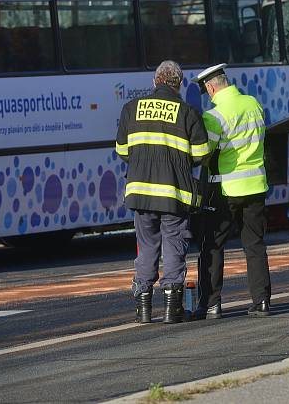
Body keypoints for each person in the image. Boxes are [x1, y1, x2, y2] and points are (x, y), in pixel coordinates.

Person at [115, 60, 209, 324]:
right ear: (178, 84)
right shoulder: (187, 112)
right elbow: (202, 154)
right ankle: (172, 308)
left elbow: (123, 152)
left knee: (146, 249)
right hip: (173, 194)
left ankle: (143, 308)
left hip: (141, 193)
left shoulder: (131, 109)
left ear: (155, 81)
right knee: (173, 246)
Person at [193, 63, 272, 319]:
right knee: (255, 245)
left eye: (208, 91)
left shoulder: (213, 116)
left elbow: (206, 154)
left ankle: (211, 305)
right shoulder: (253, 104)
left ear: (211, 87)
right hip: (256, 186)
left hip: (224, 188)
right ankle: (261, 302)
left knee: (212, 246)